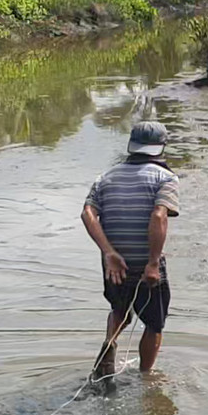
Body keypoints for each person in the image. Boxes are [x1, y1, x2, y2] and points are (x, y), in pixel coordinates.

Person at [81, 121, 180, 379]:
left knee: (119, 311)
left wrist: (108, 253)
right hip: (145, 262)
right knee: (154, 323)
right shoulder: (165, 178)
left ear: (131, 146)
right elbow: (159, 217)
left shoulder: (105, 177)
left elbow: (87, 213)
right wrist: (153, 263)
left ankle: (110, 342)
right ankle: (147, 377)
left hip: (114, 265)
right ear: (161, 148)